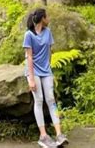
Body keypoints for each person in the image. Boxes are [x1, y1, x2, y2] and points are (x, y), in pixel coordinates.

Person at [23, 8, 68, 148]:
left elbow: (49, 52)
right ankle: (43, 136)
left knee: (51, 99)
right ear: (42, 18)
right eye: (47, 17)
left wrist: (49, 71)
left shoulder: (48, 32)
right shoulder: (28, 35)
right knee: (39, 100)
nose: (49, 19)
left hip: (46, 71)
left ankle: (59, 134)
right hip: (34, 71)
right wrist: (30, 78)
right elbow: (29, 57)